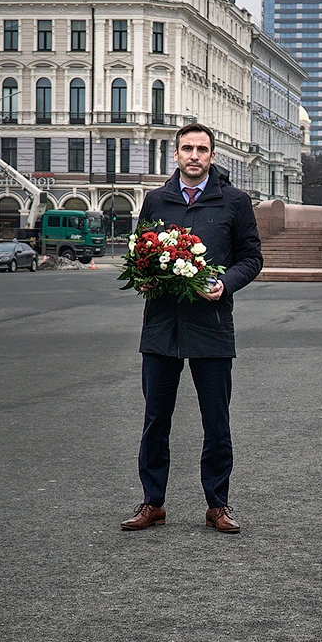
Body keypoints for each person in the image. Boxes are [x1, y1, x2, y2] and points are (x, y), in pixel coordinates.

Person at [121, 123, 263, 534]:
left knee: (216, 421)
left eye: (202, 149)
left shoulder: (234, 202)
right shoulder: (156, 200)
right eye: (187, 148)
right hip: (162, 326)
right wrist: (143, 276)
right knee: (155, 419)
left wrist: (227, 283)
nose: (194, 155)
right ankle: (153, 503)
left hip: (212, 325)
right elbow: (140, 253)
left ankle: (217, 505)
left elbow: (252, 258)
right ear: (176, 154)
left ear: (213, 156)